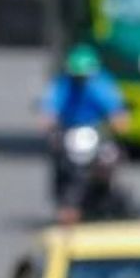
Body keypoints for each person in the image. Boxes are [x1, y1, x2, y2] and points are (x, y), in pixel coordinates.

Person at [38, 43, 129, 214]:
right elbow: (50, 105)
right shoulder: (64, 84)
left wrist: (118, 121)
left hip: (95, 132)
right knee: (59, 155)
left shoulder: (101, 83)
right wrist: (47, 119)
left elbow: (115, 108)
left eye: (84, 76)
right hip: (70, 131)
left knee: (109, 157)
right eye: (77, 76)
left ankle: (105, 190)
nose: (80, 80)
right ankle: (64, 199)